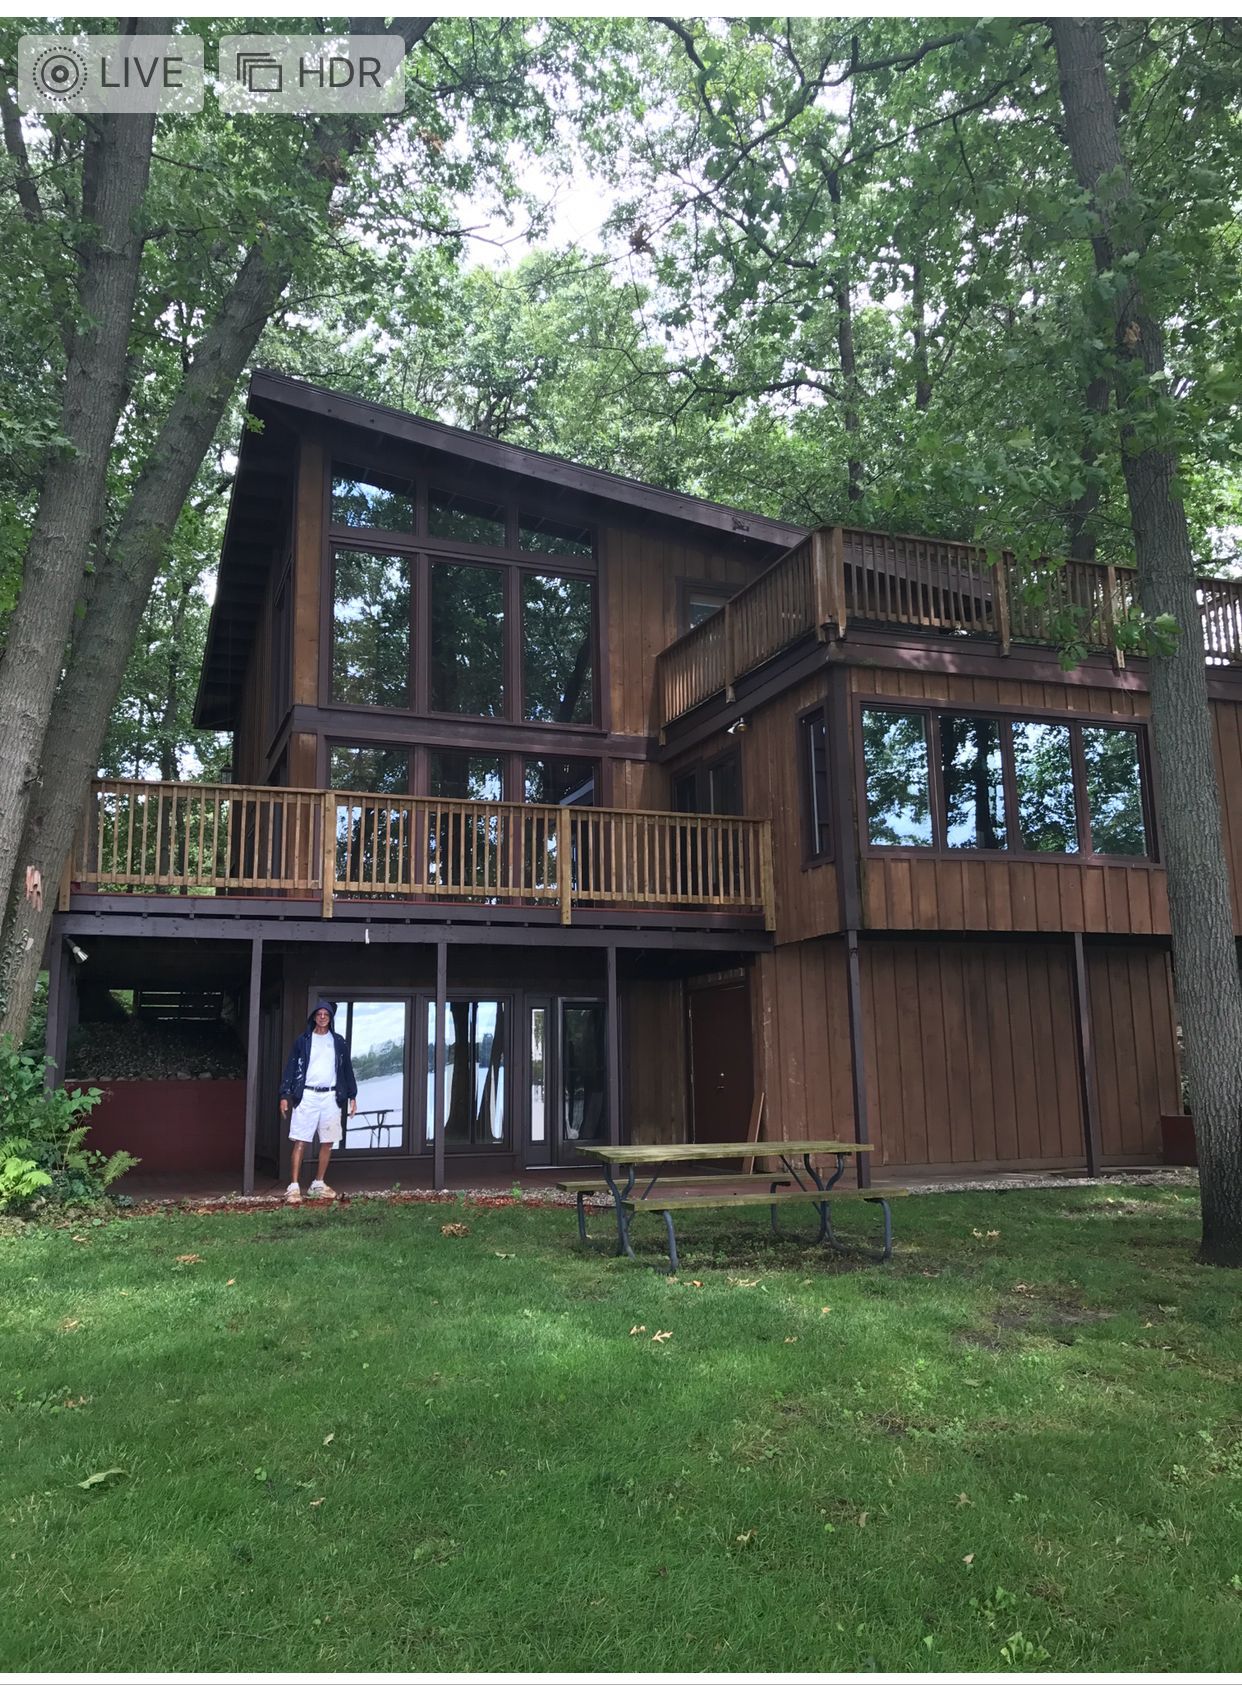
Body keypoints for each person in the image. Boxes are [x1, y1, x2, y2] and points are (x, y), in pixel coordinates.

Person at [279, 1000, 358, 1205]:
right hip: (307, 1095)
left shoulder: (338, 1042)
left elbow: (346, 1069)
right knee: (300, 1139)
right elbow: (290, 1068)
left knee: (328, 1140)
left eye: (326, 1014)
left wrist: (352, 1095)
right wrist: (285, 1095)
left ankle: (318, 1183)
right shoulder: (303, 1041)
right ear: (314, 1017)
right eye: (319, 1014)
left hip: (331, 1096)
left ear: (330, 1018)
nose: (322, 1017)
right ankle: (294, 1186)